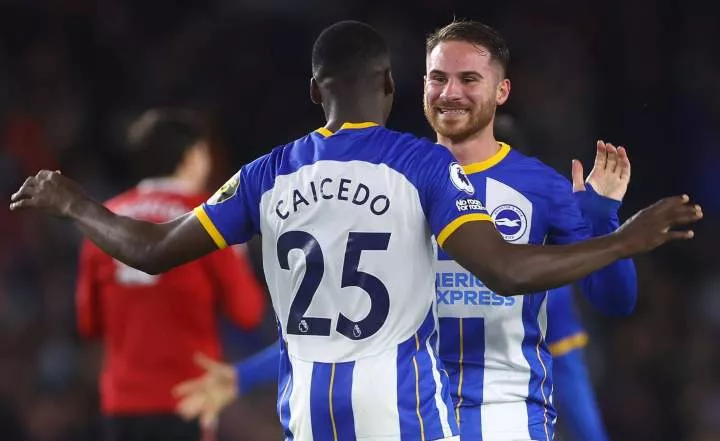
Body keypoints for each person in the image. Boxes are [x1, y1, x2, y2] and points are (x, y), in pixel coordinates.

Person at [10, 20, 701, 441]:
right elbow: (509, 270)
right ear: (396, 86)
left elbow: (153, 250)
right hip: (397, 405)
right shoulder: (421, 165)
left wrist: (75, 202)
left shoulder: (265, 174)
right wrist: (623, 237)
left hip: (310, 408)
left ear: (315, 91)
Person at [176, 21, 637, 441]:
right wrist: (243, 378)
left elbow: (614, 302)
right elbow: (344, 319)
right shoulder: (387, 180)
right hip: (406, 419)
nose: (450, 92)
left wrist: (601, 219)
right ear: (418, 87)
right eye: (438, 78)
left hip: (505, 419)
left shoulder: (541, 189)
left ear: (501, 90)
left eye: (469, 79)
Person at [74, 108, 268, 441]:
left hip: (121, 402)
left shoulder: (104, 221)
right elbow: (247, 312)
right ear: (192, 156)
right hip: (189, 397)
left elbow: (88, 324)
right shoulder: (209, 217)